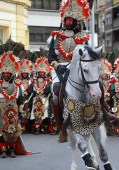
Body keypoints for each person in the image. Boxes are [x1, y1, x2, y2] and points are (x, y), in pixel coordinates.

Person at [47, 0, 90, 141]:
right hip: (59, 67)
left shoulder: (83, 37)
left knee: (95, 86)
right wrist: (57, 66)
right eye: (67, 19)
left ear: (76, 21)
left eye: (71, 19)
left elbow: (87, 55)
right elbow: (50, 57)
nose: (69, 22)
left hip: (77, 68)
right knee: (55, 93)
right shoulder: (55, 37)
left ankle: (104, 112)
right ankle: (61, 128)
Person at [0, 52, 31, 158]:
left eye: (8, 74)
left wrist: (21, 111)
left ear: (12, 75)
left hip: (14, 110)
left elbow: (20, 100)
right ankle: (3, 150)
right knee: (2, 131)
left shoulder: (17, 86)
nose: (5, 76)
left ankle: (12, 150)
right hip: (1, 110)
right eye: (4, 74)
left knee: (13, 131)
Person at [30, 57, 53, 135]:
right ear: (37, 73)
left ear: (45, 73)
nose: (41, 74)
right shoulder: (34, 81)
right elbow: (30, 90)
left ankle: (44, 125)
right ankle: (36, 126)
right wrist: (35, 92)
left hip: (44, 98)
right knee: (35, 111)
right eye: (40, 73)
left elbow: (50, 90)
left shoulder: (48, 81)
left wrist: (43, 92)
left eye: (42, 73)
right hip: (35, 99)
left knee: (44, 111)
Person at [19, 59, 34, 133]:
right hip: (20, 99)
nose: (24, 75)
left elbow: (31, 91)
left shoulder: (31, 82)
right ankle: (21, 126)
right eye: (23, 74)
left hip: (28, 100)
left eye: (26, 74)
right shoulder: (18, 82)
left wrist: (28, 95)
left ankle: (29, 126)